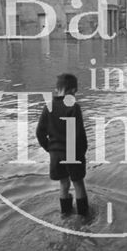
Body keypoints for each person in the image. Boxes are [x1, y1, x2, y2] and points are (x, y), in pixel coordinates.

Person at [36, 73, 89, 216]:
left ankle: (65, 214)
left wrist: (50, 148)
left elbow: (39, 133)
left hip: (55, 153)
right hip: (72, 152)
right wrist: (82, 153)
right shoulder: (74, 107)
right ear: (72, 90)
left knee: (64, 184)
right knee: (78, 183)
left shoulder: (49, 107)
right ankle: (84, 217)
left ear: (56, 89)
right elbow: (79, 135)